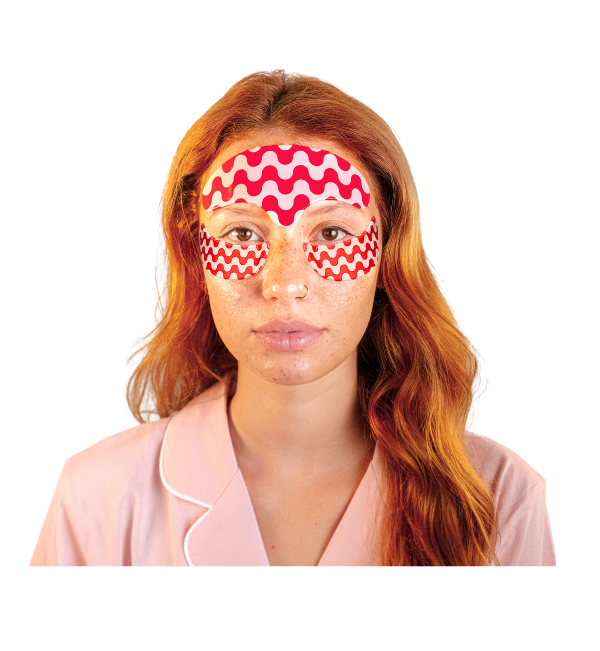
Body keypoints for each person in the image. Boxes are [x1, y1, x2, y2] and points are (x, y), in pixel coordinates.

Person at [31, 70, 555, 566]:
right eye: (242, 233)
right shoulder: (96, 499)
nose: (283, 285)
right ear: (196, 255)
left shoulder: (500, 499)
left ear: (386, 253)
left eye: (331, 233)